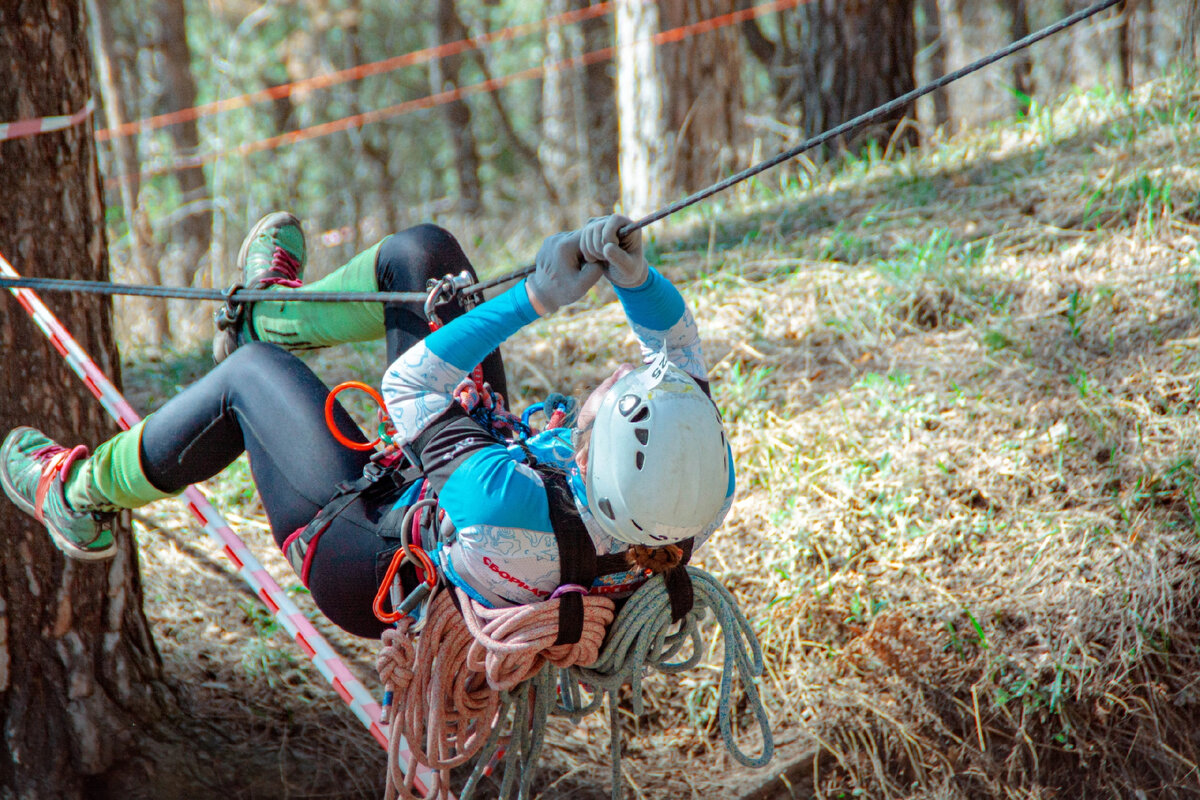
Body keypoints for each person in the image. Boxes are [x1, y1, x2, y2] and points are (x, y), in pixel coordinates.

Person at [0, 212, 734, 639]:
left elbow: (412, 384)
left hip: (373, 555)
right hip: (484, 483)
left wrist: (539, 299)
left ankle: (80, 496)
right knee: (424, 256)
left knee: (251, 375)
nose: (613, 378)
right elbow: (678, 353)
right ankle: (266, 310)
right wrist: (631, 276)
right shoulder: (690, 484)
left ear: (594, 462)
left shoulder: (501, 499)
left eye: (612, 396)